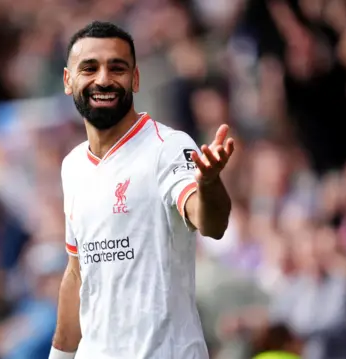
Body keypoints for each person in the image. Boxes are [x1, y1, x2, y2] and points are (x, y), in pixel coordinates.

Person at [49, 21, 235, 359]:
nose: (103, 79)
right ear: (67, 80)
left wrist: (208, 184)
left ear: (134, 79)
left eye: (116, 68)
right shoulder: (73, 166)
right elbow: (77, 274)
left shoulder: (167, 147)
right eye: (89, 68)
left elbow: (212, 223)